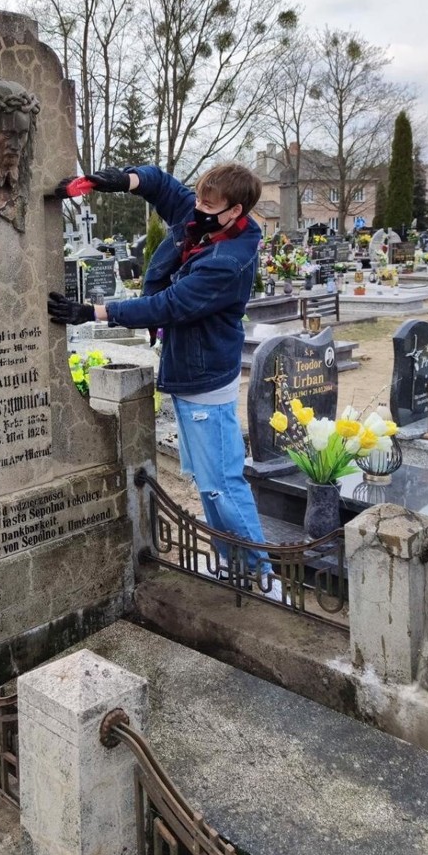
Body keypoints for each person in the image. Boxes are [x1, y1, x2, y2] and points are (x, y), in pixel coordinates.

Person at [48, 163, 271, 573]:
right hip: (189, 375)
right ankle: (230, 562)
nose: (197, 207)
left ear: (235, 211)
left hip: (205, 382)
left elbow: (168, 305)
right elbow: (163, 186)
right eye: (200, 197)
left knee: (221, 484)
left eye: (208, 203)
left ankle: (261, 573)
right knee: (208, 484)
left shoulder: (228, 261)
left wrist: (92, 311)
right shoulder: (208, 220)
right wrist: (119, 181)